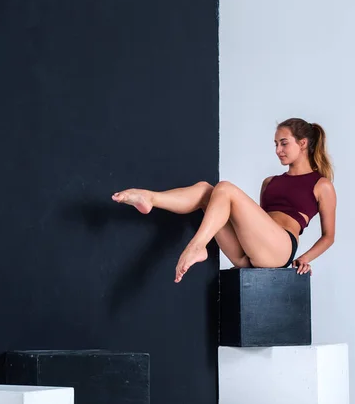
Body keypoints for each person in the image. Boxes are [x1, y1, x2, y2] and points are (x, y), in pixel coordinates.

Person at [112, 118, 337, 283]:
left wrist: (304, 258)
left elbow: (329, 236)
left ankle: (197, 246)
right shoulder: (270, 182)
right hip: (249, 253)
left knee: (225, 189)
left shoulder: (321, 185)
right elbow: (253, 222)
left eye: (284, 143)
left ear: (303, 143)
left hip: (280, 250)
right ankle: (150, 198)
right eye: (275, 144)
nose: (278, 150)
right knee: (205, 191)